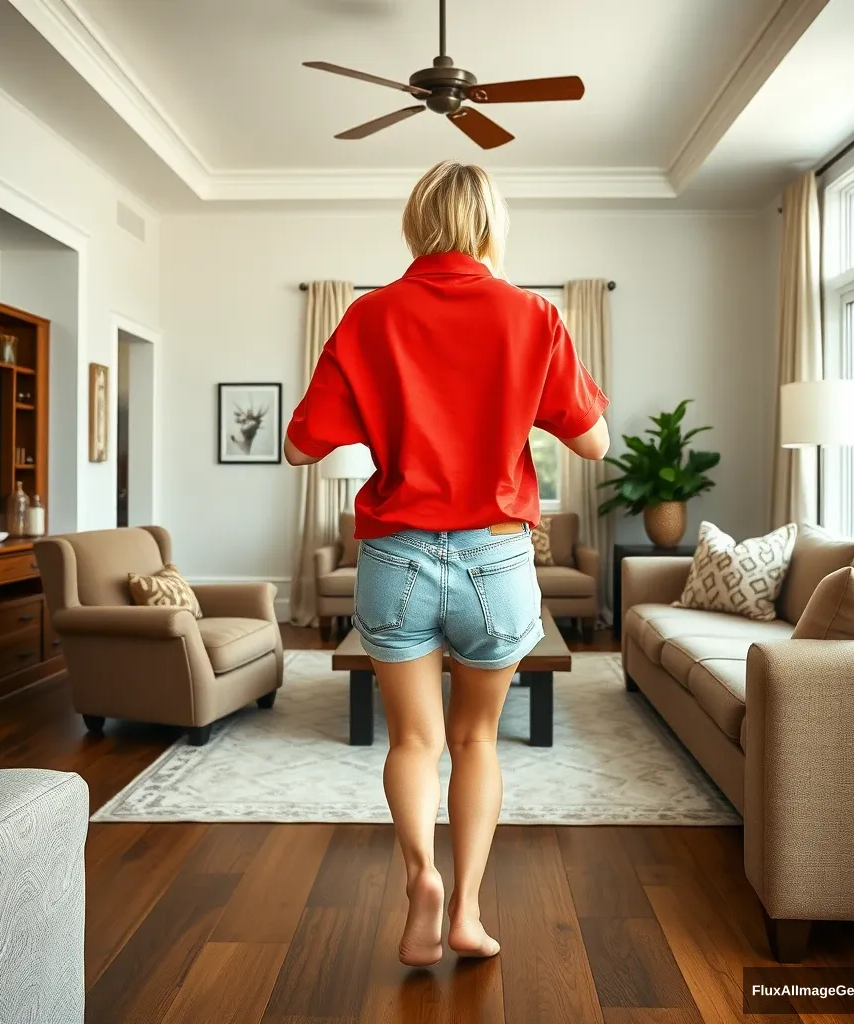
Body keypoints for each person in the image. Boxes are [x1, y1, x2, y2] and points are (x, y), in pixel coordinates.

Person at [284, 160, 610, 968]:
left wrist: (388, 411)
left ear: (415, 221)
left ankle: (421, 876)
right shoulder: (532, 315)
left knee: (412, 743)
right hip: (496, 557)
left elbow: (299, 446)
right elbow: (595, 441)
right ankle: (465, 911)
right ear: (491, 224)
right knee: (477, 742)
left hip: (394, 553)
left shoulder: (368, 317)